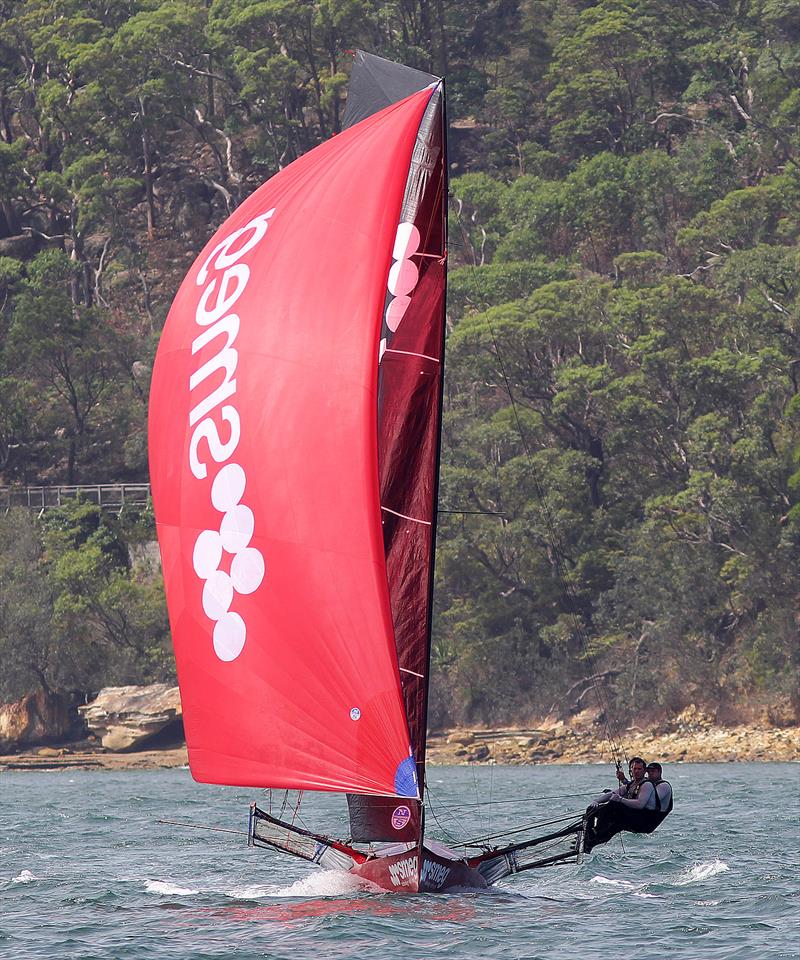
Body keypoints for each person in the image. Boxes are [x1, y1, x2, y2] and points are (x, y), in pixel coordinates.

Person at [584, 760, 673, 852]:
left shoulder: (661, 786)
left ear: (659, 772)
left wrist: (621, 799)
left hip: (648, 821)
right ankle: (589, 839)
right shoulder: (639, 784)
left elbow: (642, 802)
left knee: (615, 807)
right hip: (638, 815)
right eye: (649, 771)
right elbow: (622, 792)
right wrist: (596, 801)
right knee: (596, 811)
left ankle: (595, 832)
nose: (650, 774)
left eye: (653, 771)